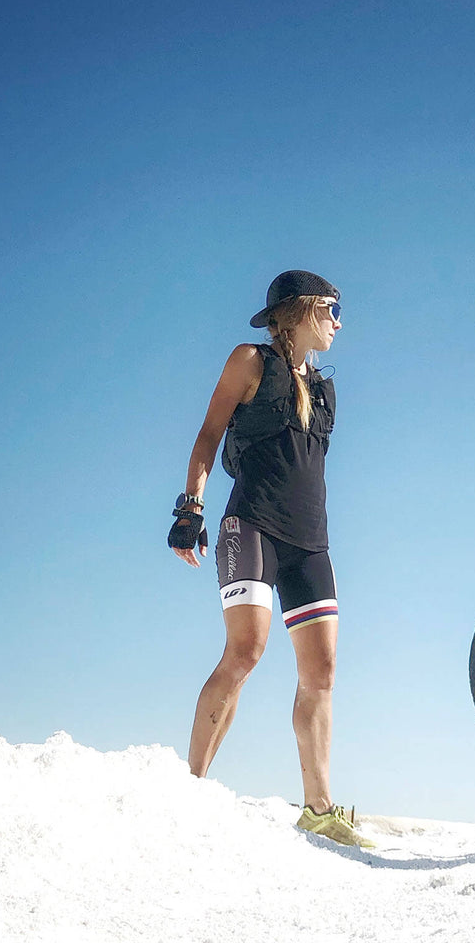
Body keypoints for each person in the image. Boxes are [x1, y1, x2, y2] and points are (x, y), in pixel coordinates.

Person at [168, 269, 373, 848]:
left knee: (322, 673)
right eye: (332, 308)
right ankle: (190, 788)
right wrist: (191, 507)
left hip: (311, 542)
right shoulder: (251, 361)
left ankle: (319, 807)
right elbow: (209, 434)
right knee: (246, 651)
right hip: (251, 525)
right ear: (300, 310)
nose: (338, 320)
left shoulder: (327, 389)